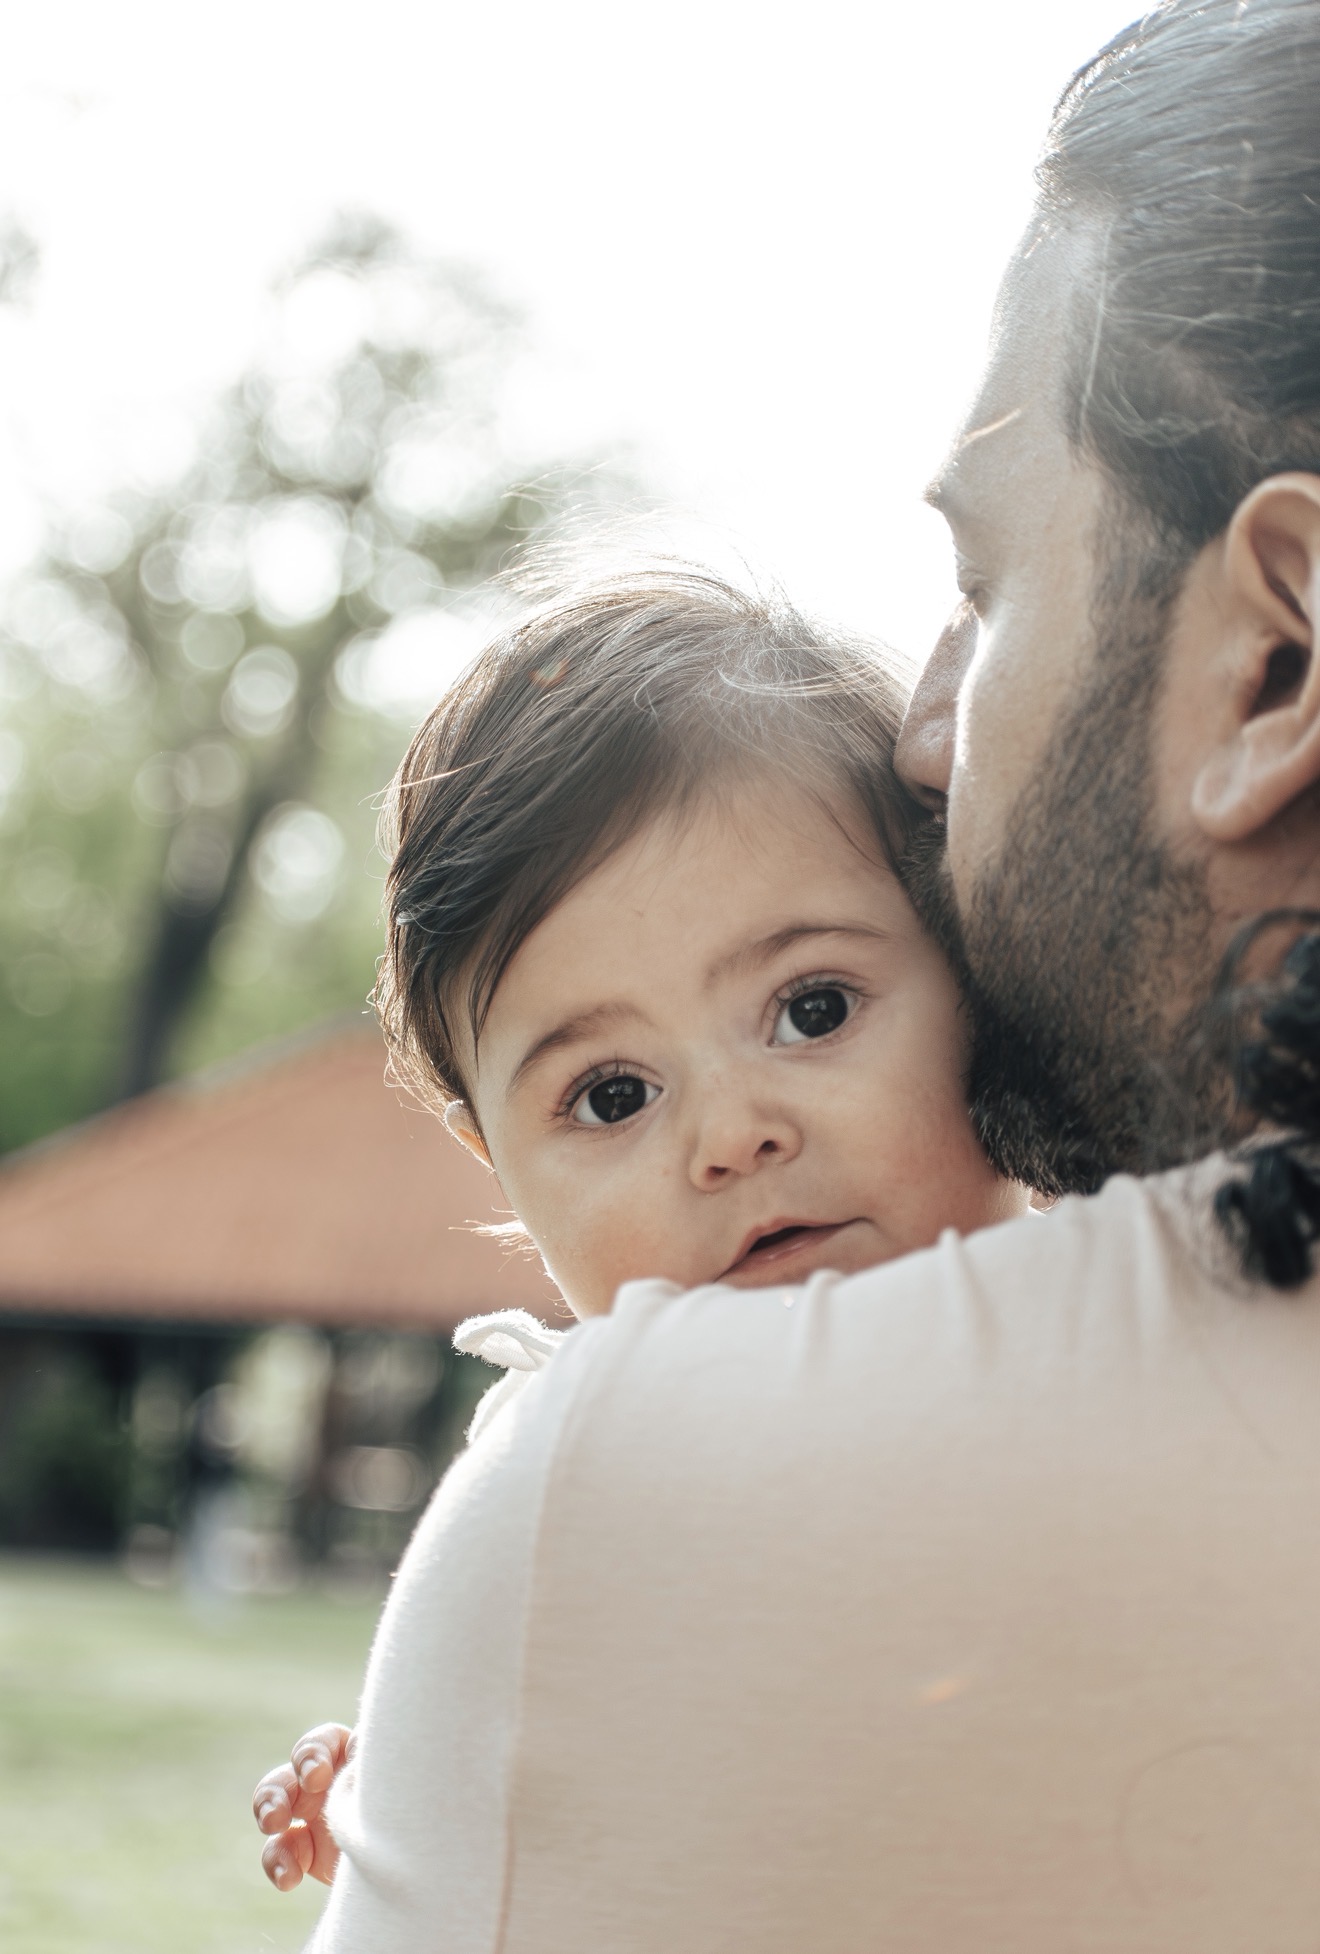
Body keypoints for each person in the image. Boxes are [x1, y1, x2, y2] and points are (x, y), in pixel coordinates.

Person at [273, 1, 1320, 1946]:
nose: (933, 733)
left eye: (988, 590)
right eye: (605, 1092)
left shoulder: (616, 1490)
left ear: (1280, 656)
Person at [251, 563, 1028, 1887]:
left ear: (975, 959)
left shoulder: (1121, 1346)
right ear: (496, 1165)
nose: (733, 1133)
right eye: (612, 1094)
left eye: (813, 1010)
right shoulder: (565, 1466)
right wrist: (423, 1773)